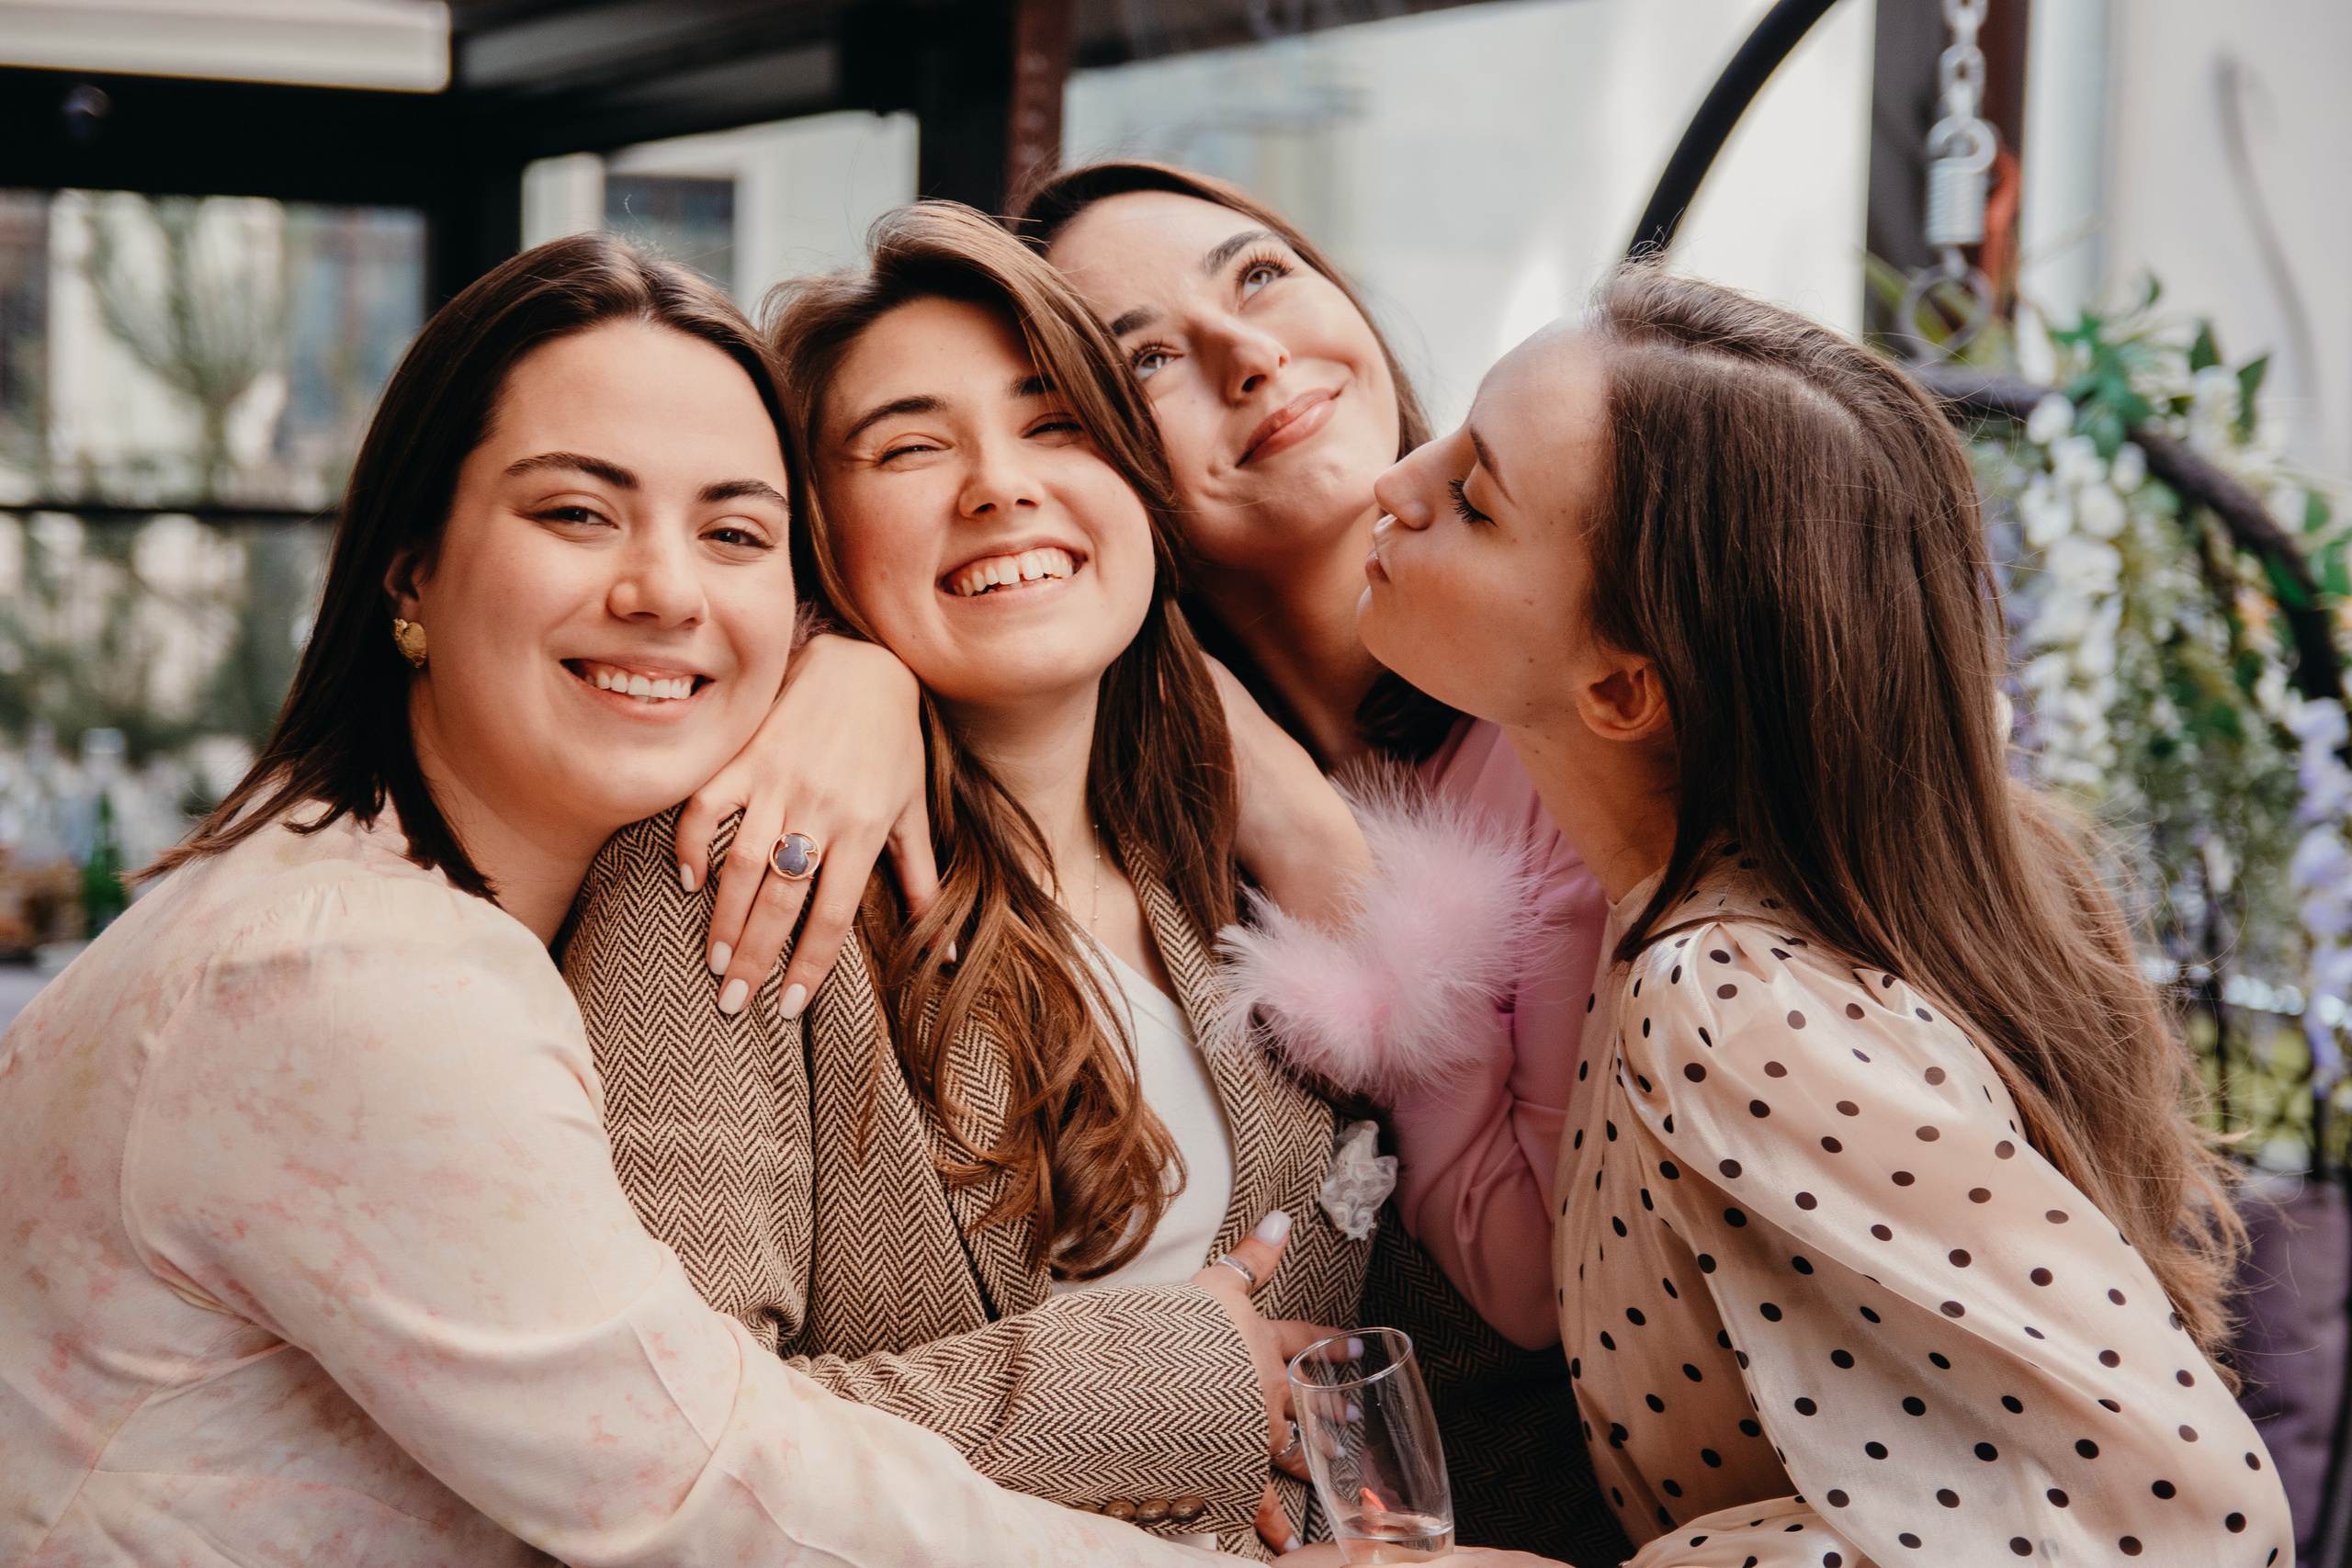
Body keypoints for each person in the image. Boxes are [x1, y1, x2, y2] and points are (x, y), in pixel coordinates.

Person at [0, 232, 1229, 1568]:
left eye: (734, 532)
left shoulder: (386, 901)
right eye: (576, 513)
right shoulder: (351, 970)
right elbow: (703, 1488)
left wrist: (859, 676)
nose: (663, 590)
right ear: (409, 569)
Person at [1291, 264, 2294, 1566]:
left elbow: (2186, 1527)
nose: (1395, 484)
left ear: (1622, 689)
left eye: (1474, 500)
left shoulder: (1725, 992)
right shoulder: (1675, 924)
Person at [560, 204, 1400, 1558]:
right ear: (815, 532)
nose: (1000, 486)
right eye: (909, 447)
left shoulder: (1218, 873)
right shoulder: (733, 879)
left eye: (1054, 424)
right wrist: (1172, 1388)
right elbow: (654, 1448)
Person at [1015, 161, 1626, 1565]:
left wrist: (1303, 828)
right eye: (1149, 356)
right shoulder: (1117, 826)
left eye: (1260, 275)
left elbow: (1538, 1283)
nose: (1247, 352)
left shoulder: (1595, 706)